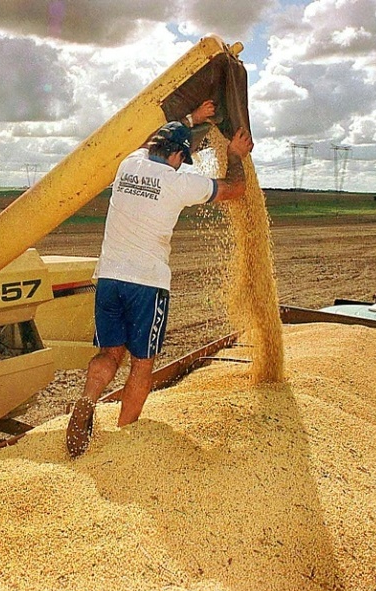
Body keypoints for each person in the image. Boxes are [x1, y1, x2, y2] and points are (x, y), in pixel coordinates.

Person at [65, 101, 254, 458]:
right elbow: (234, 189)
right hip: (146, 285)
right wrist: (235, 154)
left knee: (109, 354)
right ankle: (125, 433)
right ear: (178, 156)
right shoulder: (179, 182)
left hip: (109, 278)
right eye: (183, 158)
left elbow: (151, 137)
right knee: (142, 363)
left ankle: (88, 398)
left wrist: (191, 119)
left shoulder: (129, 163)